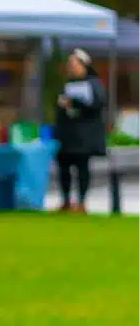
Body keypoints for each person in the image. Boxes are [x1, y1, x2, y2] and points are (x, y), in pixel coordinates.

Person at [54, 48, 106, 213]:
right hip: (67, 135)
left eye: (74, 64)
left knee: (82, 168)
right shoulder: (68, 84)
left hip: (84, 137)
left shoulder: (94, 84)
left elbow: (97, 105)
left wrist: (75, 103)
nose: (71, 68)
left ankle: (82, 202)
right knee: (64, 168)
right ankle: (66, 201)